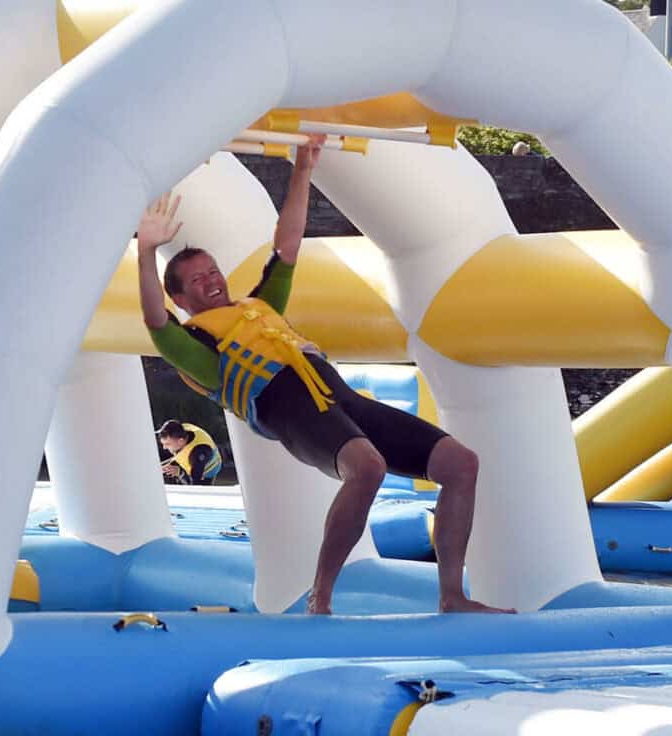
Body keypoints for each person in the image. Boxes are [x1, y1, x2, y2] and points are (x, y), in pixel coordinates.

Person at [136, 135, 514, 616]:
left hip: (341, 401)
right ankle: (322, 597)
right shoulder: (195, 347)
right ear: (182, 299)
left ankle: (452, 597)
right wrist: (147, 249)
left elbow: (288, 244)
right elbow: (153, 317)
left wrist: (302, 169)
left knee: (461, 464)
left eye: (212, 272)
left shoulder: (259, 306)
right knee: (368, 467)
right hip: (291, 414)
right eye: (197, 281)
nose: (211, 281)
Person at [156, 419, 222, 486]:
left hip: (206, 472)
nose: (164, 447)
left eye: (167, 444)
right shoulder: (181, 429)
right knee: (159, 468)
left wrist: (180, 473)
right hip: (189, 454)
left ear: (180, 441)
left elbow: (195, 486)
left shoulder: (197, 454)